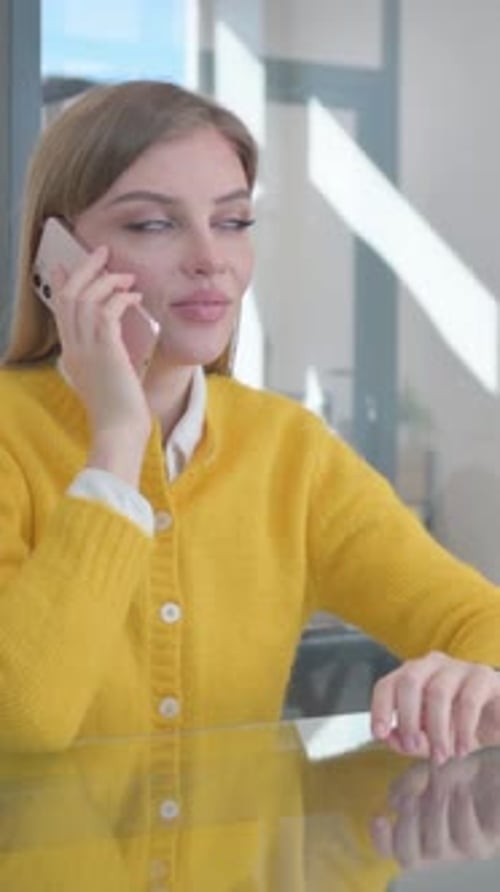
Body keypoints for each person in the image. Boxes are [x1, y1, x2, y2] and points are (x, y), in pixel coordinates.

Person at [1, 80, 500, 758]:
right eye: (153, 224)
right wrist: (117, 439)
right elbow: (23, 719)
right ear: (56, 258)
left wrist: (470, 680)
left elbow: (478, 619)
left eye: (232, 221)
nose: (211, 260)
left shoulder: (289, 450)